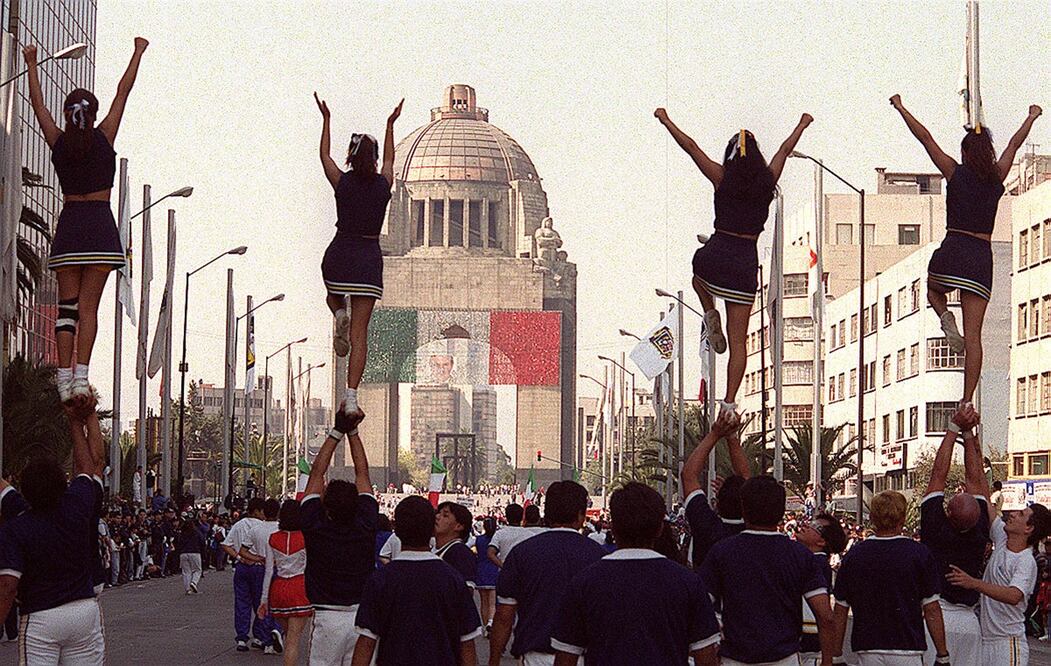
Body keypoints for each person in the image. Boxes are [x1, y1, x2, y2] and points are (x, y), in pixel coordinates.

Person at [654, 107, 813, 421]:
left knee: (698, 276)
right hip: (744, 261)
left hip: (718, 251)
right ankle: (728, 403)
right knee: (738, 340)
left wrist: (666, 120)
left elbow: (691, 148)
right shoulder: (767, 182)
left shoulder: (721, 177)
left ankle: (709, 310)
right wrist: (802, 124)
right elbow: (784, 149)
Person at [890, 95, 1042, 408]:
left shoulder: (954, 172)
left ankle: (946, 317)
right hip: (980, 257)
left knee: (933, 288)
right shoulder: (997, 177)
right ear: (988, 154)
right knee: (974, 338)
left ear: (964, 152)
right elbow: (1014, 144)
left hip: (955, 247)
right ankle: (966, 400)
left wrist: (902, 107)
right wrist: (1031, 117)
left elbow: (926, 138)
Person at [22, 39, 146, 403]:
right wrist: (136, 52)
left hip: (71, 224)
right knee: (89, 309)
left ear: (67, 114)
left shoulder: (57, 141)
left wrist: (31, 63)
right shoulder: (105, 136)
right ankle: (80, 378)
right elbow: (124, 92)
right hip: (100, 227)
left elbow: (37, 105)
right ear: (93, 114)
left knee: (67, 309)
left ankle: (62, 378)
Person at [550, 482, 720, 665]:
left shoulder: (584, 583)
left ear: (613, 528)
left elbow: (566, 659)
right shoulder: (688, 583)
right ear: (660, 529)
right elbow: (706, 659)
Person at [313, 91, 403, 417]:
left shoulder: (342, 182)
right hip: (367, 259)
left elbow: (324, 156)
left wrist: (326, 120)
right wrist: (391, 124)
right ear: (375, 160)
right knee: (360, 334)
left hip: (340, 252)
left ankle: (338, 313)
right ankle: (352, 396)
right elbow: (392, 160)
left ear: (350, 158)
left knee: (332, 294)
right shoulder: (383, 186)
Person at [0, 399, 107, 664]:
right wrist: (75, 420)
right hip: (84, 609)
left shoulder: (17, 522)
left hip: (41, 617)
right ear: (63, 482)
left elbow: (8, 586)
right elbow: (88, 466)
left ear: (25, 490)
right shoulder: (79, 504)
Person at [700, 476, 835, 665]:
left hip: (734, 658)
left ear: (743, 510)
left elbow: (700, 607)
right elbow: (826, 616)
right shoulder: (800, 555)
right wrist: (828, 661)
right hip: (784, 658)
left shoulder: (722, 552)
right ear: (781, 512)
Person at [352, 495, 481, 666]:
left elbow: (366, 643)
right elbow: (467, 644)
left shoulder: (381, 579)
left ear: (395, 531)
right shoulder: (452, 578)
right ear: (431, 530)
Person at [490, 481, 606, 666]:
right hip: (585, 658)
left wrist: (494, 660)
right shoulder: (600, 557)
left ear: (548, 514)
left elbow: (504, 616)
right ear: (581, 515)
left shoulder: (522, 553)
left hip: (535, 656)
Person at [832, 491, 949, 666]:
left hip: (868, 647)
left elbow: (840, 610)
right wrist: (942, 654)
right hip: (908, 648)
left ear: (872, 517)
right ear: (902, 518)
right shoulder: (919, 554)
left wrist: (836, 654)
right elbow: (931, 608)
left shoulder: (855, 555)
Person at [300, 406, 375, 665]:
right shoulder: (365, 522)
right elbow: (362, 473)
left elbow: (316, 474)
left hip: (327, 618)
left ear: (326, 504)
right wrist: (353, 431)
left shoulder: (314, 524)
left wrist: (336, 431)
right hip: (362, 617)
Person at [919, 403, 989, 665]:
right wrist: (968, 434)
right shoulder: (981, 528)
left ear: (948, 512)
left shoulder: (936, 527)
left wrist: (953, 428)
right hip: (970, 623)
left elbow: (939, 473)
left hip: (937, 618)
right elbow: (976, 479)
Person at [945, 493, 1051, 664]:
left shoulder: (1025, 561)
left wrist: (973, 583)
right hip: (985, 640)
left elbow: (1013, 595)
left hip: (1007, 644)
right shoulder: (1002, 540)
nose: (1014, 514)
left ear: (1028, 529)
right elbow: (985, 501)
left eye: (1022, 514)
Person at [680, 410, 750, 567]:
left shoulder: (706, 526)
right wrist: (732, 437)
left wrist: (716, 433)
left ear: (717, 502)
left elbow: (688, 475)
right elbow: (745, 476)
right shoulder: (754, 532)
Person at [259, 500, 312, 666]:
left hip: (278, 588)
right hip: (299, 587)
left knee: (289, 637)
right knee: (294, 641)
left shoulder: (273, 538)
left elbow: (268, 571)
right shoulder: (306, 537)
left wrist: (264, 600)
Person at [793, 512, 846, 666]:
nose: (806, 526)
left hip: (810, 643)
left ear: (822, 541)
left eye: (815, 527)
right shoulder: (813, 561)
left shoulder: (816, 563)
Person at [222, 497, 268, 652]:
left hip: (242, 567)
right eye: (262, 511)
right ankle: (258, 636)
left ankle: (242, 638)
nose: (264, 514)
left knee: (242, 603)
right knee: (260, 603)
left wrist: (239, 557)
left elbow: (226, 545)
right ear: (256, 511)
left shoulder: (238, 525)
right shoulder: (263, 527)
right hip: (259, 566)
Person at [238, 497, 283, 654]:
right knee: (278, 603)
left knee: (262, 604)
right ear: (278, 512)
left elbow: (242, 551)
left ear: (263, 512)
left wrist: (258, 558)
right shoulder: (282, 530)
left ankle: (266, 640)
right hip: (279, 569)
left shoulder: (255, 530)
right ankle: (276, 630)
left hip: (259, 568)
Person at [435, 501, 477, 586]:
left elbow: (466, 590)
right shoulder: (435, 548)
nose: (437, 517)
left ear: (459, 526)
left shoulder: (460, 553)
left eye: (445, 515)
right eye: (438, 513)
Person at [487, 503, 539, 568]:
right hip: (523, 572)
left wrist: (504, 567)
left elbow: (490, 553)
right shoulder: (530, 534)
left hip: (506, 574)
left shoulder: (500, 533)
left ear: (507, 517)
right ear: (521, 517)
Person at [475, 517, 500, 636]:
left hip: (480, 570)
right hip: (494, 570)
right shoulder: (496, 540)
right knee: (492, 602)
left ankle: (485, 627)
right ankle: (491, 622)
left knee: (484, 602)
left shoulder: (478, 540)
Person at [176, 516, 205, 594]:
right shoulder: (196, 532)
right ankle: (194, 582)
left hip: (183, 553)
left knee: (186, 571)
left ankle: (187, 589)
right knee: (197, 570)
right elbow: (202, 541)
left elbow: (178, 543)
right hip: (195, 552)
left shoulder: (182, 533)